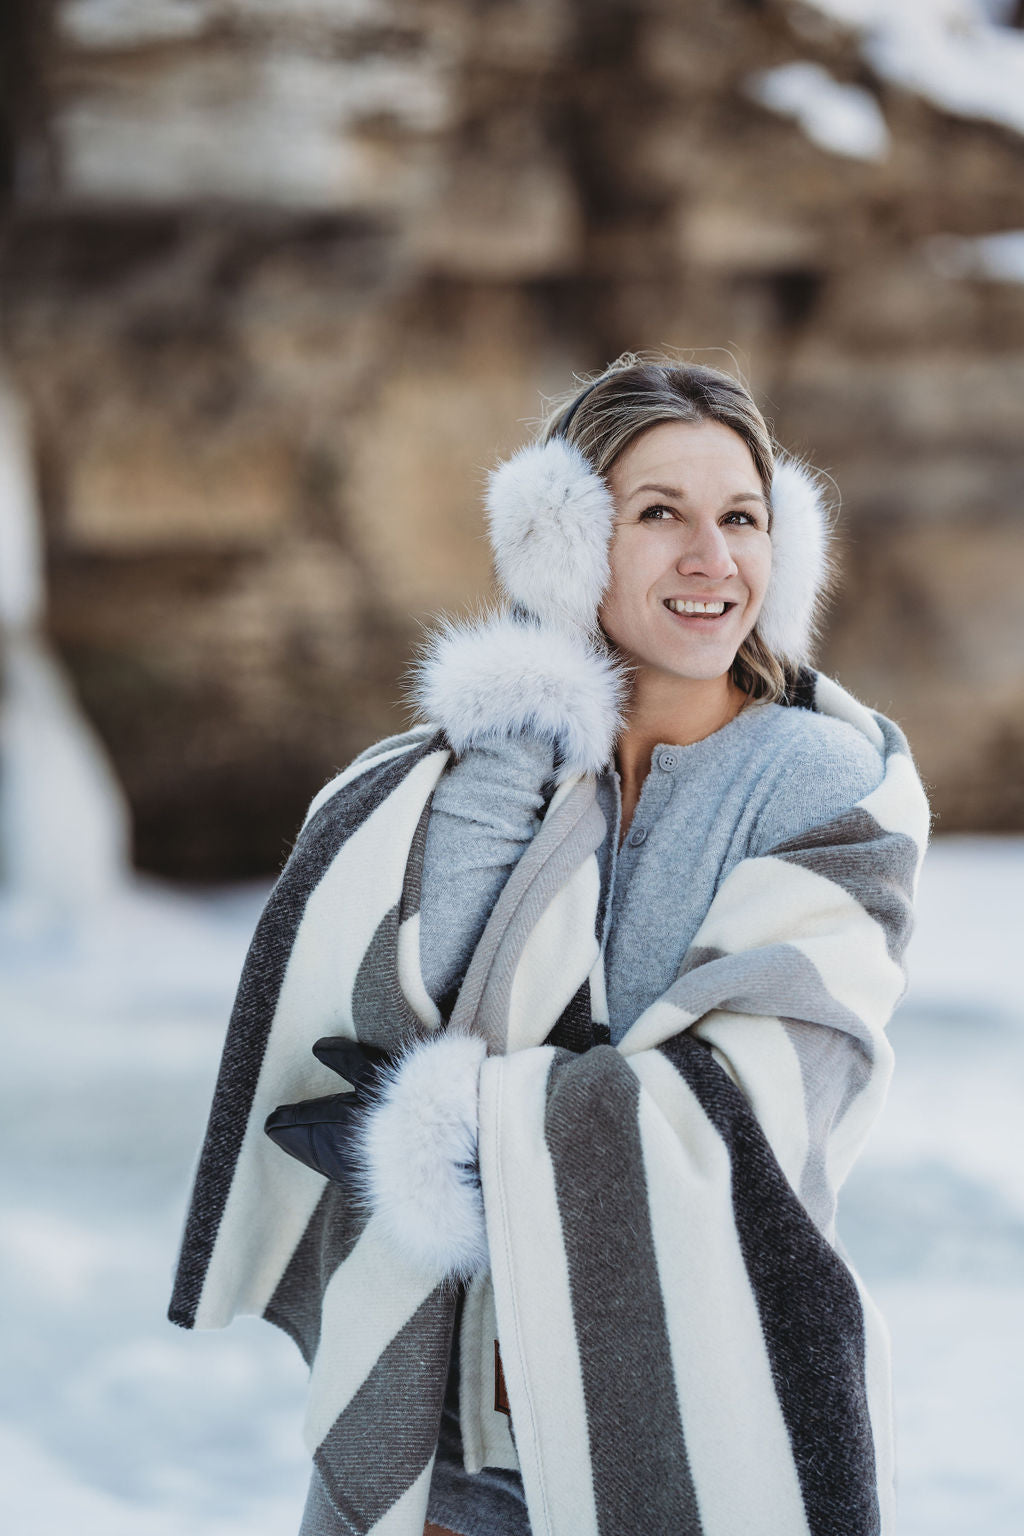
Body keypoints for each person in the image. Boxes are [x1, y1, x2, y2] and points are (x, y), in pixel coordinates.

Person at [170, 353, 931, 1536]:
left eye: (740, 518)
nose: (709, 560)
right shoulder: (488, 768)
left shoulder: (822, 787)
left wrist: (472, 1128)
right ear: (566, 546)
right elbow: (393, 1004)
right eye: (657, 515)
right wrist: (523, 724)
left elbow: (759, 1096)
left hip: (692, 1409)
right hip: (448, 1428)